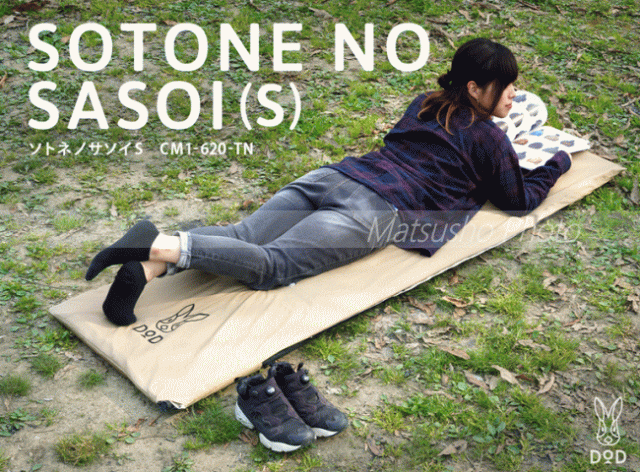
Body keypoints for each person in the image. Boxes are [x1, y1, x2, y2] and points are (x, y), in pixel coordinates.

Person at [85, 37, 572, 326]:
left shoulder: (424, 103)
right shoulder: (488, 137)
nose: (513, 94)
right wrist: (557, 163)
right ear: (474, 88)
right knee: (273, 266)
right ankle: (158, 243)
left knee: (242, 234)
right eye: (506, 86)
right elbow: (517, 200)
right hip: (375, 212)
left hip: (335, 176)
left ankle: (146, 266)